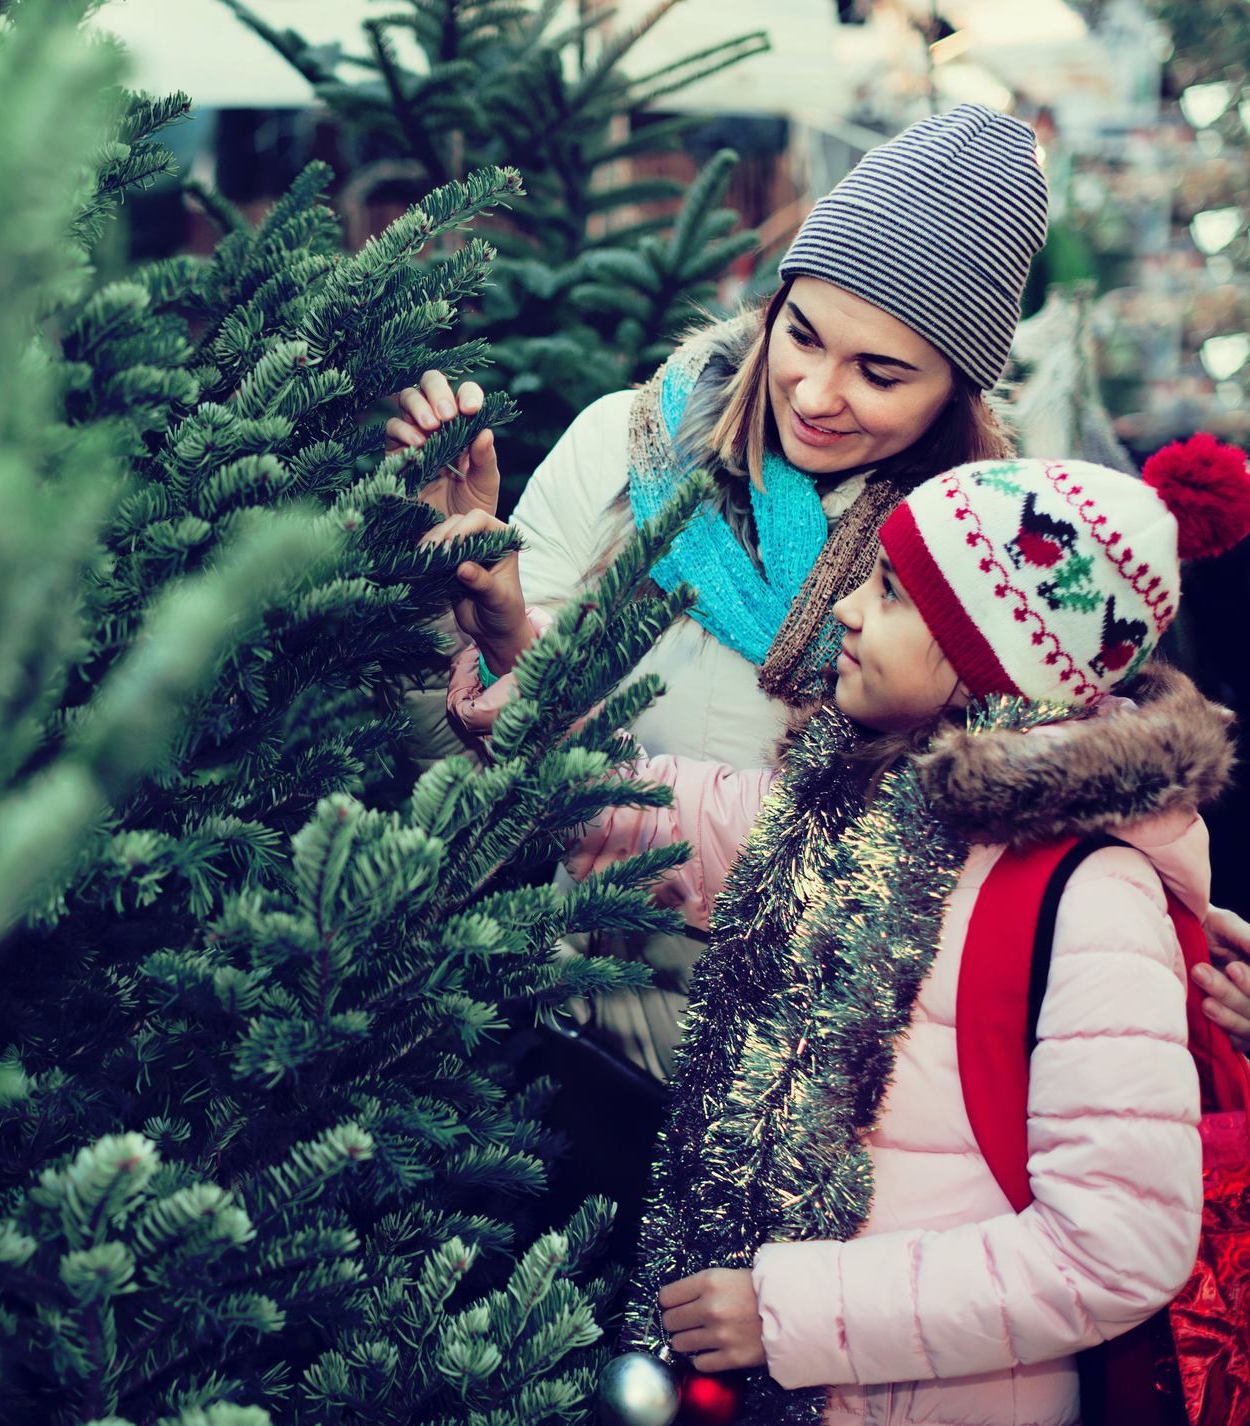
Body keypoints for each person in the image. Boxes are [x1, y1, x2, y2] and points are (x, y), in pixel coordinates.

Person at [394, 102, 1250, 1073]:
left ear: (957, 388)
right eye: (800, 334)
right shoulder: (618, 451)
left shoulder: (999, 573)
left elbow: (1040, 865)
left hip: (829, 1118)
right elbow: (444, 766)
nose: (812, 392)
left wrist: (1184, 965)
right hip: (572, 1058)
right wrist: (449, 590)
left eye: (879, 373)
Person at [483, 447, 1248, 1423]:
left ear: (991, 656)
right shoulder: (850, 804)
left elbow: (1119, 1243)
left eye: (888, 592)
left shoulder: (1089, 896)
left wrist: (793, 1313)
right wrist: (510, 636)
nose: (843, 607)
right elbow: (645, 810)